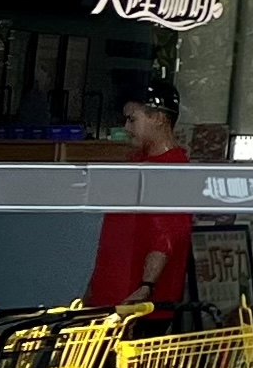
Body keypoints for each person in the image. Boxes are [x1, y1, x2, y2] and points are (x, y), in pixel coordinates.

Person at [83, 80, 193, 318]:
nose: (126, 127)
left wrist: (146, 286)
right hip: (108, 300)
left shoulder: (173, 171)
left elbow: (166, 237)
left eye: (132, 119)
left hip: (141, 308)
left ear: (159, 118)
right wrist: (93, 288)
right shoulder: (135, 164)